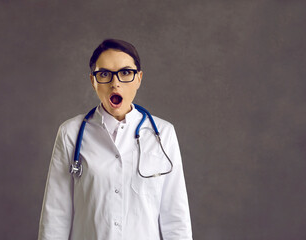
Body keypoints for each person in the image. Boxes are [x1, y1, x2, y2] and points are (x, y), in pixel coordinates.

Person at [38, 39, 193, 240]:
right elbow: (56, 215)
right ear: (93, 81)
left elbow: (176, 218)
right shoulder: (71, 133)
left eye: (126, 72)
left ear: (139, 78)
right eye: (104, 74)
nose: (115, 83)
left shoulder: (163, 134)